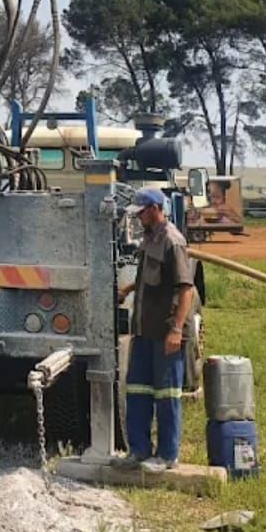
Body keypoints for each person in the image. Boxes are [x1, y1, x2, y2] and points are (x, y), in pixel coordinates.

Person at [111, 187, 195, 474]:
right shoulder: (149, 239)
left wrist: (176, 329)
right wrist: (129, 289)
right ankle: (138, 451)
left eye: (142, 212)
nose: (138, 217)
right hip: (144, 331)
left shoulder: (173, 241)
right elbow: (147, 278)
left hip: (165, 334)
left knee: (167, 395)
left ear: (155, 209)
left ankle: (167, 455)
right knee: (137, 391)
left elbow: (185, 289)